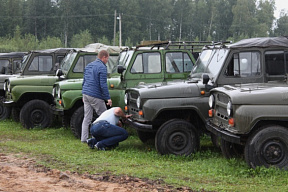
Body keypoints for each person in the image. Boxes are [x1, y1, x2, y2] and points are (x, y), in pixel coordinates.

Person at [81, 50, 112, 143]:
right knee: (105, 117)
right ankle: (105, 138)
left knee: (87, 117)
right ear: (104, 57)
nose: (107, 61)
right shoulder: (102, 67)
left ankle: (84, 138)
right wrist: (108, 98)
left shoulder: (89, 65)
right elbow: (103, 84)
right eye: (107, 59)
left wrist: (83, 94)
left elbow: (84, 81)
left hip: (86, 94)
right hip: (95, 95)